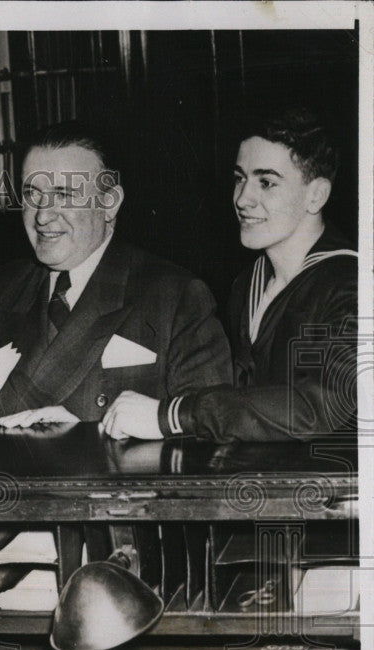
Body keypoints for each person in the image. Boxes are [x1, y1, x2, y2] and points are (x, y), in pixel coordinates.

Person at [102, 107, 357, 442]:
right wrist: (97, 420)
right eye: (240, 178)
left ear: (317, 195)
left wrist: (171, 415)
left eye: (266, 182)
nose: (242, 198)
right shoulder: (248, 283)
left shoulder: (352, 285)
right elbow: (234, 406)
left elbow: (317, 409)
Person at [0, 121, 232, 427]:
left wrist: (89, 441)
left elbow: (210, 428)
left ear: (109, 202)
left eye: (63, 194)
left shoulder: (174, 297)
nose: (42, 214)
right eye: (32, 193)